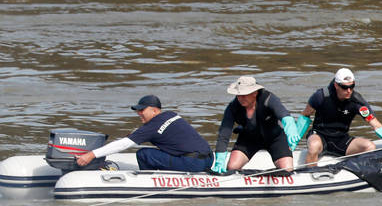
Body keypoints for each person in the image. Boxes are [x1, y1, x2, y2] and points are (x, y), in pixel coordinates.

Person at [290, 68, 382, 166]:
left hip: (341, 140)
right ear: (336, 85)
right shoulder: (320, 96)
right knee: (314, 146)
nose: (348, 90)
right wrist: (292, 144)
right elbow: (305, 116)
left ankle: (355, 171)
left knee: (369, 146)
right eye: (344, 87)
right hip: (320, 136)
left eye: (352, 86)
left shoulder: (357, 101)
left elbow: (375, 124)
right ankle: (310, 173)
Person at [75, 95, 212, 172]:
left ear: (154, 111)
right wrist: (137, 133)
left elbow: (124, 145)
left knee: (144, 154)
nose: (139, 113)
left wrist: (91, 154)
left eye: (142, 110)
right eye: (138, 111)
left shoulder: (151, 128)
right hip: (209, 159)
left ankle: (149, 179)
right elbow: (162, 132)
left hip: (193, 163)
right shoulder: (171, 115)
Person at [211, 76, 299, 173]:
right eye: (238, 95)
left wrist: (290, 127)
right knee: (232, 167)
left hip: (274, 138)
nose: (240, 98)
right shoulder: (232, 107)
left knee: (287, 169)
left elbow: (284, 115)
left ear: (255, 93)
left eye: (244, 95)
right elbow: (224, 135)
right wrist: (219, 159)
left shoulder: (268, 98)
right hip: (248, 139)